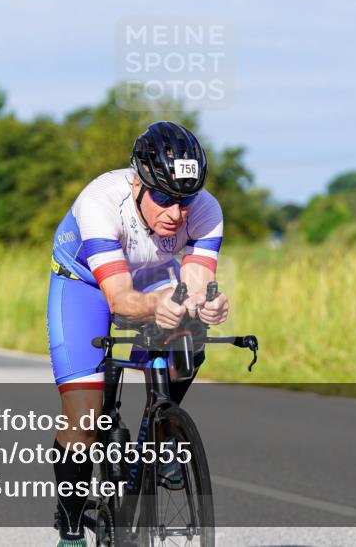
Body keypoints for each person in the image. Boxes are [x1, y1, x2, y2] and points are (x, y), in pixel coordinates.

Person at [47, 121, 230, 546]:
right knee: (84, 418)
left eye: (185, 201)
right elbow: (120, 299)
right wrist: (157, 304)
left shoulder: (207, 210)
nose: (176, 213)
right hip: (85, 284)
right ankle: (71, 532)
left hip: (152, 275)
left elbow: (197, 281)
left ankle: (162, 434)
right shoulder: (99, 202)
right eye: (164, 198)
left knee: (189, 335)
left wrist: (207, 304)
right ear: (138, 184)